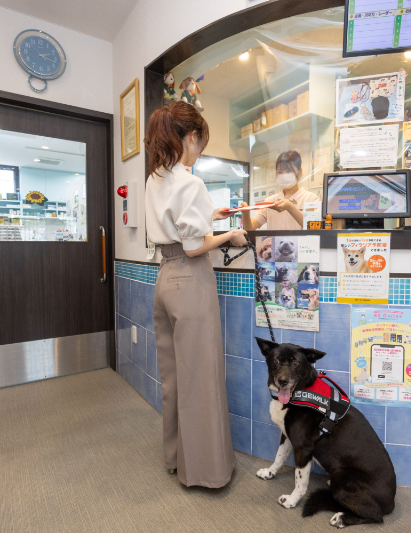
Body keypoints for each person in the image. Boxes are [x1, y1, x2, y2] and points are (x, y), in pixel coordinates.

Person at [143, 102, 245, 488]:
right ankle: (205, 472)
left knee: (173, 378)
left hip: (164, 280)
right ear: (191, 137)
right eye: (201, 142)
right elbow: (193, 247)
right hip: (189, 280)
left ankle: (175, 458)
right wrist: (230, 234)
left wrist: (210, 217)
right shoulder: (191, 182)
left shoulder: (156, 177)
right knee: (201, 377)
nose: (200, 151)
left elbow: (175, 228)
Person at [241, 150, 319, 231]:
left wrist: (290, 207)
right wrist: (245, 214)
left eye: (288, 171)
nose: (284, 175)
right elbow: (250, 228)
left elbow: (314, 228)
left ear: (299, 172)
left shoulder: (311, 199)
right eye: (280, 172)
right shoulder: (270, 201)